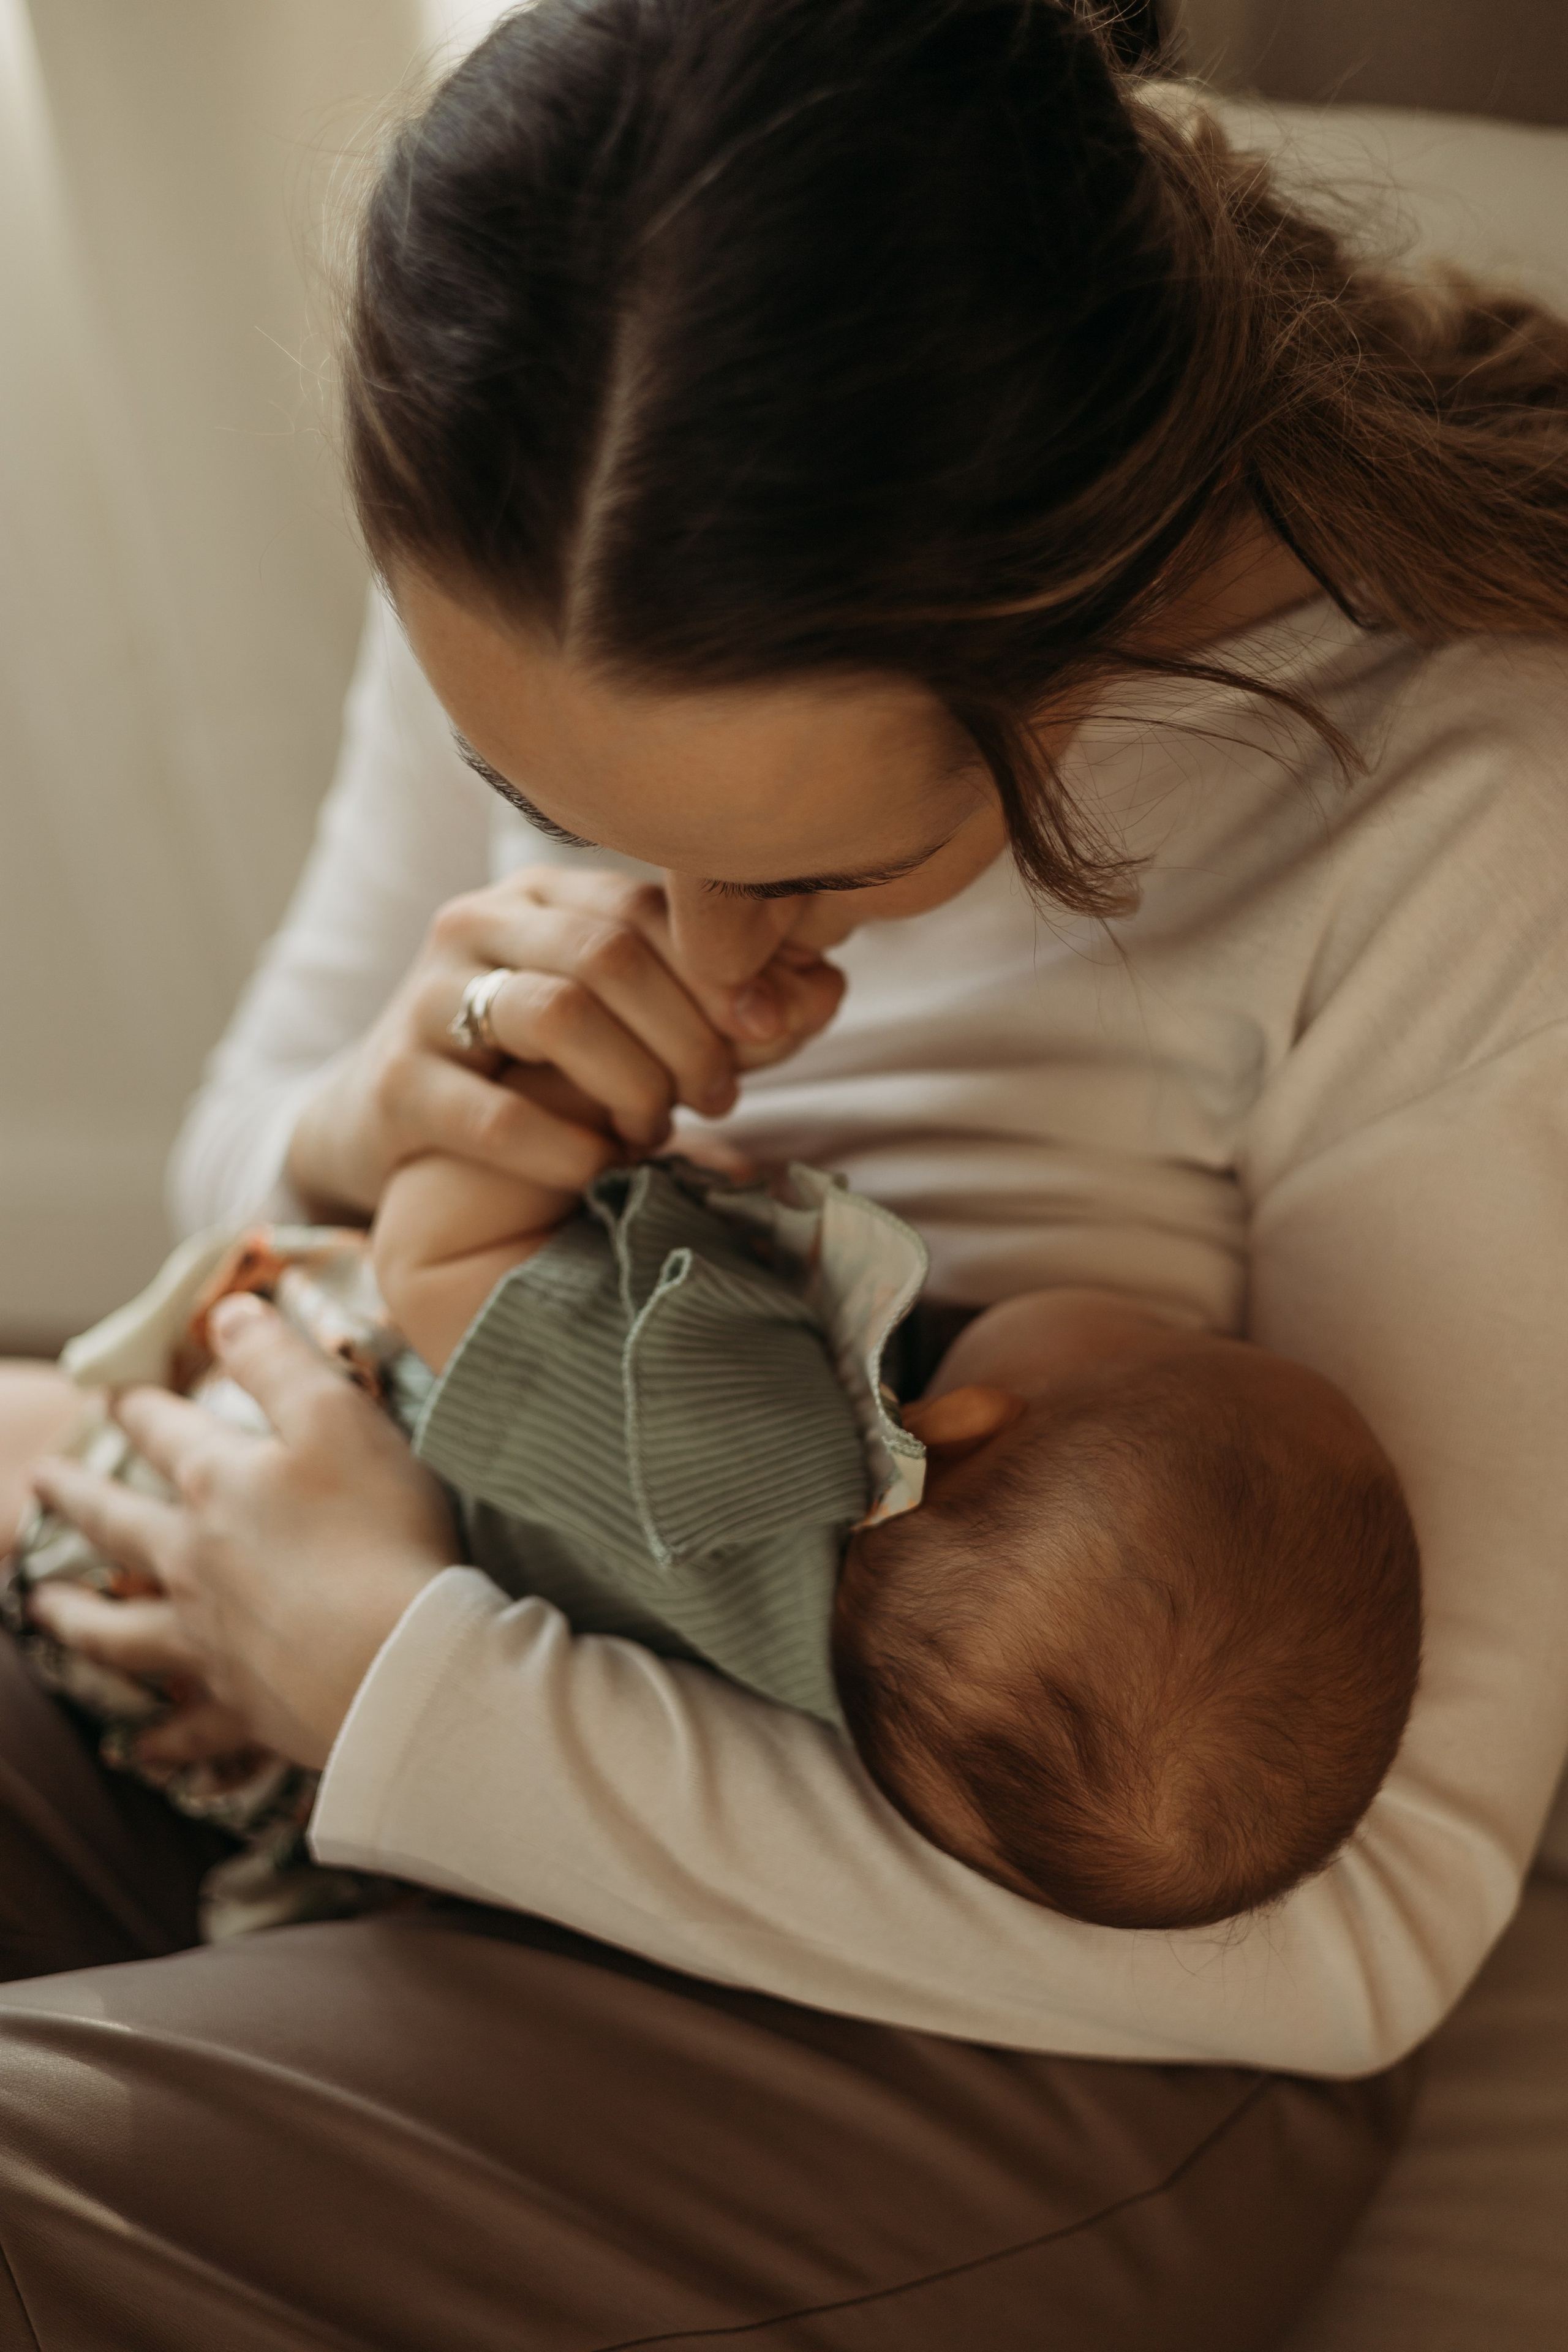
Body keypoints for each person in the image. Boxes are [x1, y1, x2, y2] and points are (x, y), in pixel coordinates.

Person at [1, 1, 1566, 2343]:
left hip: (1010, 2000)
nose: (694, 952)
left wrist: (394, 1679)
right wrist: (385, 1114)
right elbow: (246, 1164)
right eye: (551, 813)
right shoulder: (576, 494)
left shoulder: (1458, 817)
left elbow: (1347, 1926)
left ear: (1087, 625)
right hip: (339, 1671)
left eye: (829, 871)